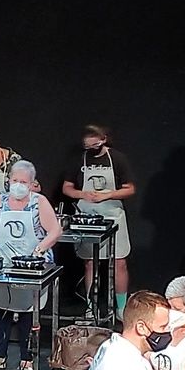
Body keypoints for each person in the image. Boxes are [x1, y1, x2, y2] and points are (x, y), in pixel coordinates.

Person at [0, 159, 60, 370]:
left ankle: (27, 357)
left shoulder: (39, 202)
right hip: (4, 263)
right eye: (15, 180)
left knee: (29, 311)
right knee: (1, 308)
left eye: (23, 181)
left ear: (31, 184)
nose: (18, 185)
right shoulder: (1, 201)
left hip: (31, 265)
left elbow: (55, 231)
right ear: (8, 181)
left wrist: (40, 248)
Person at [61, 124, 136, 310]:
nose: (91, 150)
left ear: (103, 140)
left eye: (94, 146)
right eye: (87, 147)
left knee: (119, 262)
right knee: (90, 262)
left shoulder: (118, 159)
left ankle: (120, 308)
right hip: (87, 216)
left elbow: (130, 189)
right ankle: (90, 306)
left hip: (113, 215)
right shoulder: (79, 159)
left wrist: (107, 195)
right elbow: (67, 187)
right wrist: (82, 195)